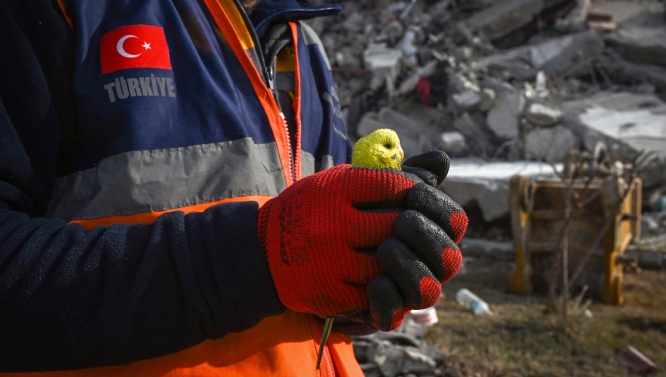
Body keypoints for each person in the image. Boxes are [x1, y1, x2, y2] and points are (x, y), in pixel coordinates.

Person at [0, 0, 468, 376]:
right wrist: (260, 258)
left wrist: (363, 276)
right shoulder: (53, 12)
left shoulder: (302, 43)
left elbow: (301, 289)